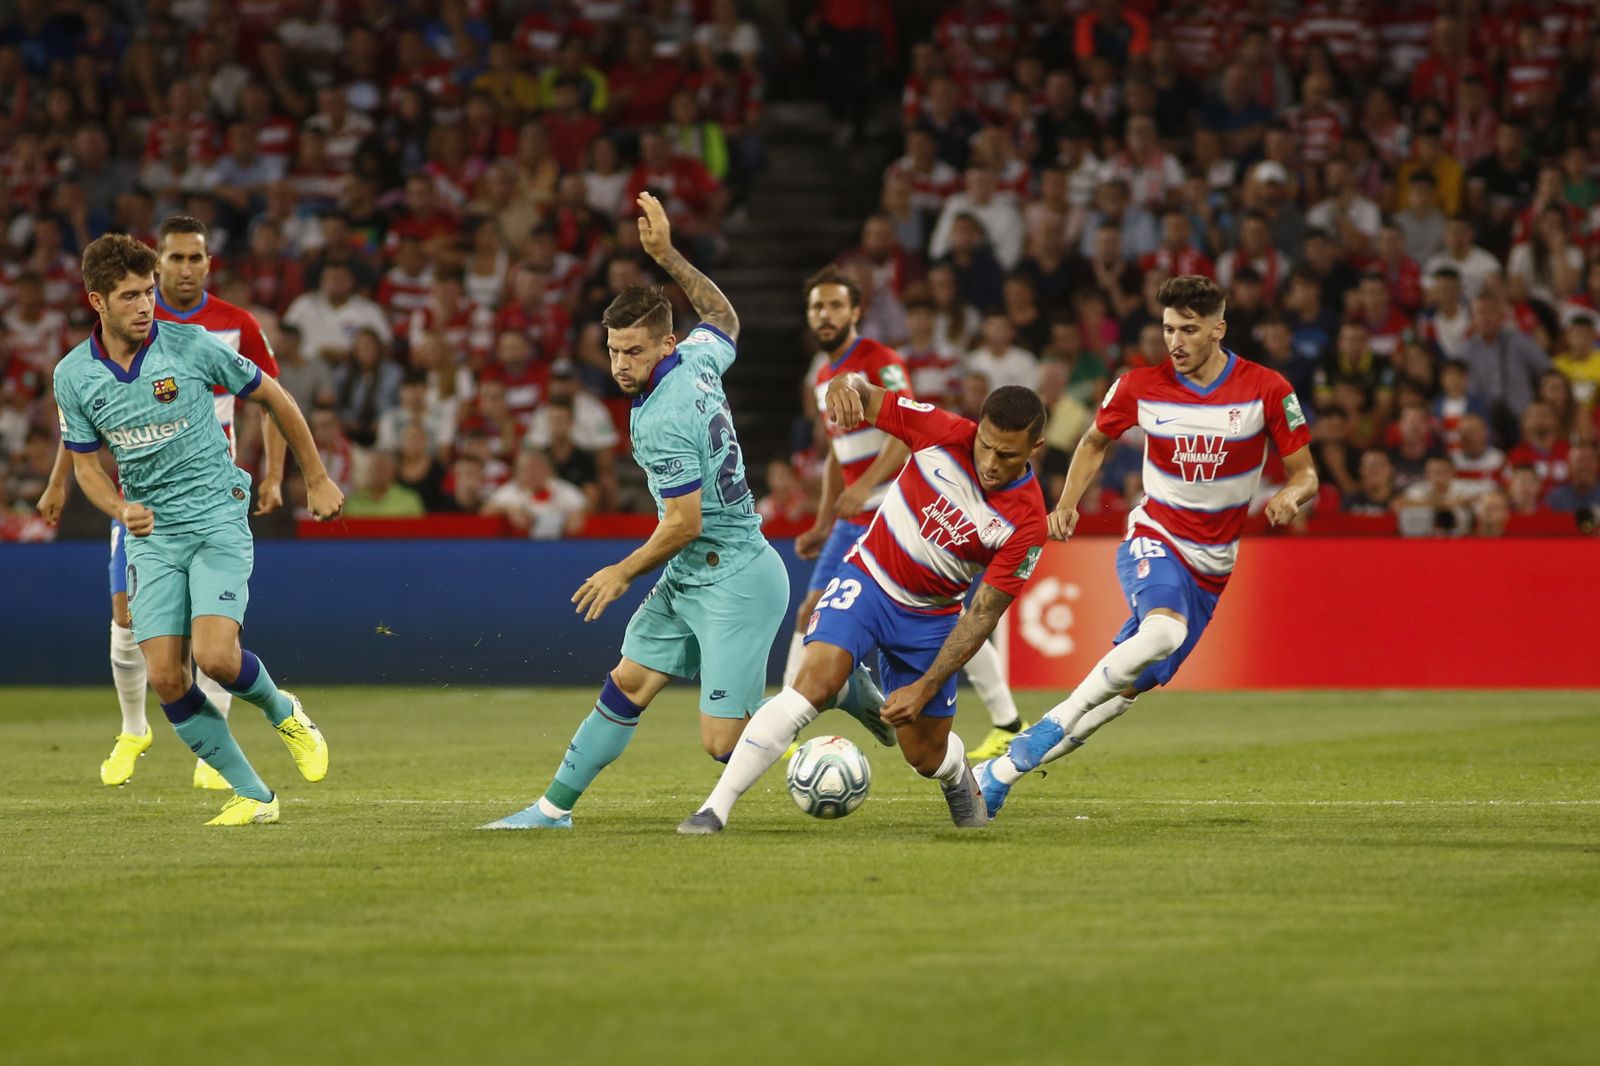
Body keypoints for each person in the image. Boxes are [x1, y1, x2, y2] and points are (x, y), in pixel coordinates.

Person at [481, 194, 884, 831]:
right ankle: (552, 809)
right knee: (628, 684)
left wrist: (622, 570)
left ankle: (833, 687)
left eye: (634, 353)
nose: (621, 365)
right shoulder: (696, 356)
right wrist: (667, 255)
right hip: (694, 571)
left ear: (664, 343)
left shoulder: (662, 419)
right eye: (614, 351)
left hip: (735, 577)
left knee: (723, 745)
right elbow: (722, 316)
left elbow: (684, 523)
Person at [973, 275, 1318, 817]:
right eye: (1168, 329)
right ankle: (1049, 726)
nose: (1175, 342)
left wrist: (1291, 496)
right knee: (1163, 631)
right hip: (1155, 537)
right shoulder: (1138, 385)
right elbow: (1094, 441)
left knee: (1125, 693)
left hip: (1212, 568)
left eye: (1189, 330)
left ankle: (999, 772)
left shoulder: (1267, 388)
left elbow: (1306, 473)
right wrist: (1067, 503)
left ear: (1218, 330)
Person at [51, 234, 343, 825]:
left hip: (215, 518)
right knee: (164, 676)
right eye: (130, 296)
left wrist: (314, 478)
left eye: (148, 292)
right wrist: (119, 510)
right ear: (97, 301)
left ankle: (283, 710)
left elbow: (276, 398)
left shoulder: (190, 345)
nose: (145, 305)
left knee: (214, 658)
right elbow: (85, 465)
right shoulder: (73, 375)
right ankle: (254, 796)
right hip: (151, 534)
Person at [677, 380, 1051, 835]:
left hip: (932, 618)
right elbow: (862, 391)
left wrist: (925, 687)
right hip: (868, 580)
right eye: (985, 446)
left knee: (924, 756)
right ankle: (714, 809)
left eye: (1007, 455)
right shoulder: (941, 430)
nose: (990, 463)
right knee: (810, 684)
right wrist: (842, 387)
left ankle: (955, 772)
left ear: (1035, 448)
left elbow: (982, 615)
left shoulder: (1028, 521)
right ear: (978, 428)